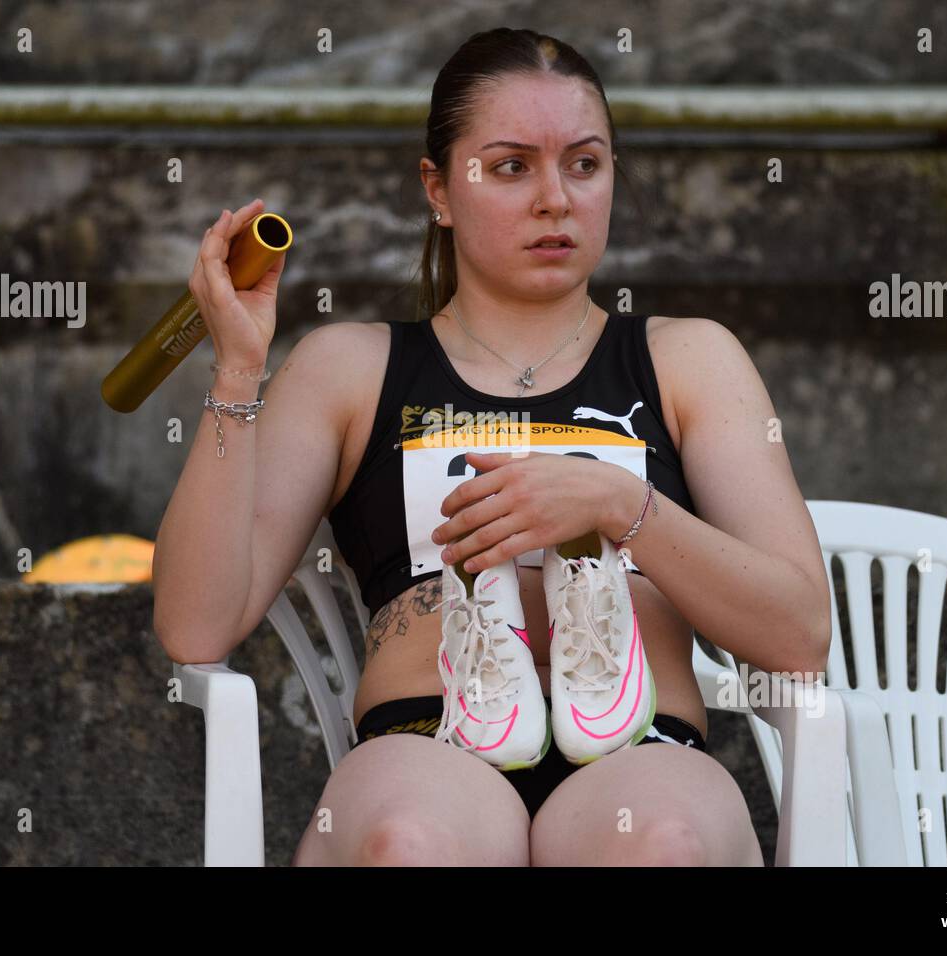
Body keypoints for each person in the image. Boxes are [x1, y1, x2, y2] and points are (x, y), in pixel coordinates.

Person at [153, 27, 831, 867]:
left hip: (641, 751)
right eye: (511, 166)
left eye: (584, 164)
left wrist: (622, 507)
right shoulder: (352, 369)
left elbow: (799, 633)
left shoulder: (688, 360)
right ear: (438, 187)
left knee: (665, 847)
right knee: (406, 845)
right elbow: (195, 626)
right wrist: (237, 370)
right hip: (427, 741)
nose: (556, 198)